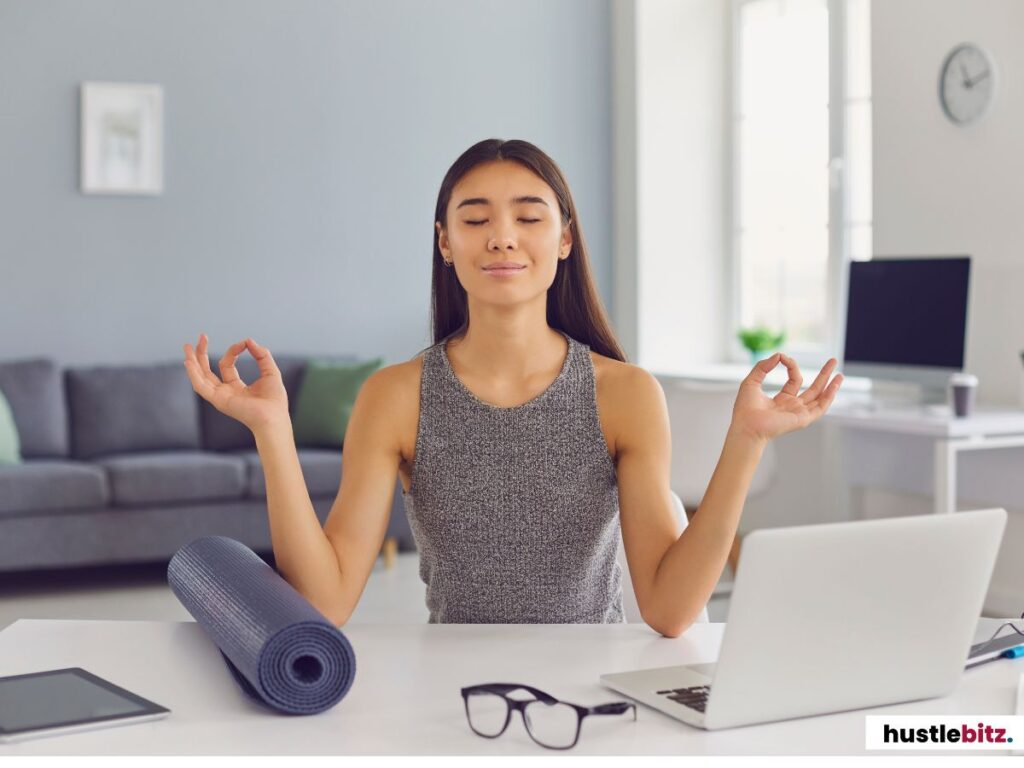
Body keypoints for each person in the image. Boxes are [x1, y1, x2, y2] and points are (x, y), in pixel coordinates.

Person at [182, 138, 843, 636]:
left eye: (529, 217)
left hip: (594, 689)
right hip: (453, 690)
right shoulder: (396, 395)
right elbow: (325, 602)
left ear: (563, 240)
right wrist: (272, 431)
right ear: (444, 242)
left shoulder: (627, 394)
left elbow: (670, 612)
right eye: (475, 219)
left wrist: (746, 439)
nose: (502, 236)